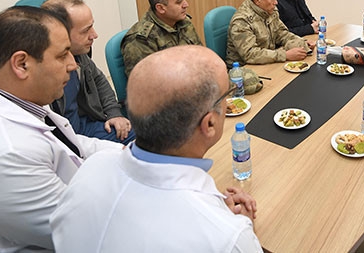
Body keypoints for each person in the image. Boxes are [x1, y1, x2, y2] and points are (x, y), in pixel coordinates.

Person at [51, 45, 263, 252]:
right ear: (209, 124)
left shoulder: (90, 168)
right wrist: (241, 226)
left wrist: (216, 208)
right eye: (227, 95)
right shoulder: (229, 238)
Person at [0, 6, 120, 251]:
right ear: (22, 64)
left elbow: (71, 144)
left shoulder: (7, 92)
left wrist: (133, 156)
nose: (73, 65)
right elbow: (87, 232)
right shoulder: (4, 154)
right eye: (63, 55)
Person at [42, 0, 135, 144]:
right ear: (60, 33)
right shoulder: (44, 75)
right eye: (85, 30)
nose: (94, 35)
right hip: (70, 140)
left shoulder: (79, 54)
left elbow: (99, 80)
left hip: (88, 125)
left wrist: (114, 113)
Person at [121, 0, 202, 76]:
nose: (186, 5)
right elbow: (146, 82)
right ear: (161, 8)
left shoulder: (183, 22)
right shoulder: (141, 40)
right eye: (179, 1)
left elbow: (201, 56)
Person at [226, 0, 312, 66]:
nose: (276, 2)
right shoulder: (242, 21)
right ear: (257, 0)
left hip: (266, 60)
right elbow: (250, 54)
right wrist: (285, 55)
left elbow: (282, 34)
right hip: (243, 68)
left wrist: (302, 43)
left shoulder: (269, 10)